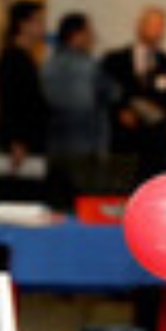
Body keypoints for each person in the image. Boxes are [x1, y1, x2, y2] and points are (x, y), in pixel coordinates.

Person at [42, 12, 117, 211]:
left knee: (56, 208)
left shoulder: (47, 66)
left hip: (54, 149)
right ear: (77, 35)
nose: (94, 37)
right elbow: (113, 94)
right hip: (86, 150)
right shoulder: (89, 67)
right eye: (89, 32)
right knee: (85, 210)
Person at [102, 6, 166, 185]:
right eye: (153, 25)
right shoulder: (114, 60)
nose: (158, 30)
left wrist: (157, 113)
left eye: (161, 26)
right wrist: (119, 112)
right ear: (140, 26)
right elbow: (102, 97)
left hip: (155, 147)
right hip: (123, 145)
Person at [0, 0, 49, 181]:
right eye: (39, 21)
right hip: (19, 146)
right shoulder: (12, 59)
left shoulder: (27, 59)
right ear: (23, 25)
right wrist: (16, 140)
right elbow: (10, 102)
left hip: (29, 142)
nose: (43, 27)